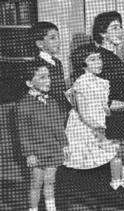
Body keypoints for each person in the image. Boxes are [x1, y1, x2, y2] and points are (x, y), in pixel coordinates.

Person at [65, 47, 124, 195]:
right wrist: (100, 128)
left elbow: (104, 106)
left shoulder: (102, 82)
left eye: (99, 58)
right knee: (115, 149)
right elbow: (84, 113)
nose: (98, 62)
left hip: (99, 121)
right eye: (92, 59)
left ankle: (123, 184)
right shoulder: (81, 83)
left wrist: (115, 113)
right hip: (84, 127)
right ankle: (115, 186)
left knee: (123, 146)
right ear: (83, 64)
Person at [15, 62, 69, 211]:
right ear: (29, 83)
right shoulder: (23, 105)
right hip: (36, 152)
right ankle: (33, 209)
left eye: (48, 77)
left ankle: (51, 208)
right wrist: (29, 154)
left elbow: (59, 127)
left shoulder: (52, 102)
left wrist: (64, 145)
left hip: (53, 149)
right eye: (42, 77)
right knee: (36, 183)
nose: (48, 81)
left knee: (50, 181)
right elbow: (23, 133)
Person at [31, 21, 70, 117]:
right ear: (40, 44)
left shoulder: (57, 62)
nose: (58, 41)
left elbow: (60, 89)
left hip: (60, 108)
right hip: (48, 111)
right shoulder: (38, 65)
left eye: (58, 37)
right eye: (53, 38)